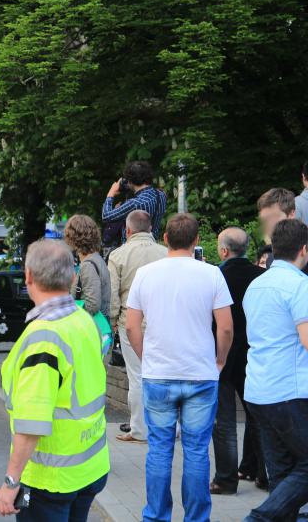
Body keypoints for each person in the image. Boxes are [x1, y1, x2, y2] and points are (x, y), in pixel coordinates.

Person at [125, 213, 233, 522]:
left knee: (159, 449)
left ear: (166, 239)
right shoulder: (211, 274)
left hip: (159, 374)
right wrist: (220, 360)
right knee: (197, 450)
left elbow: (132, 327)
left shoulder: (146, 274)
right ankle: (197, 518)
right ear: (197, 240)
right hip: (200, 373)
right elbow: (225, 328)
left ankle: (156, 516)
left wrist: (147, 358)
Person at [0, 239, 109, 519]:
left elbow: (32, 421)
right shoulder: (84, 320)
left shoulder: (43, 338)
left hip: (52, 479)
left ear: (29, 276)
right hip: (90, 467)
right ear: (72, 277)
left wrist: (11, 483)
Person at [242, 219, 308, 521]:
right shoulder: (299, 285)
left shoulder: (256, 285)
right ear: (304, 250)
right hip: (290, 392)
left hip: (258, 391)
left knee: (281, 476)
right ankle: (258, 518)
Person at [209, 228, 267, 495]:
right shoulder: (262, 276)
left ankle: (226, 478)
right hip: (254, 354)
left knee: (224, 422)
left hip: (222, 354)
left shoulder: (215, 277)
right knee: (257, 416)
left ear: (223, 251)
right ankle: (262, 472)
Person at [107, 210, 167, 444]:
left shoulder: (118, 255)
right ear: (151, 228)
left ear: (128, 230)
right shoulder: (166, 253)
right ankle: (170, 427)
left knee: (138, 378)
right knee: (164, 375)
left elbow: (113, 295)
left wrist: (112, 325)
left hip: (130, 325)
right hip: (163, 324)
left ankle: (140, 429)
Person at [101, 160, 167, 239]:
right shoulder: (161, 194)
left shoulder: (135, 203)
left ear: (130, 181)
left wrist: (111, 193)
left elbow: (106, 216)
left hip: (134, 247)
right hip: (153, 243)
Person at [64, 215, 110, 319]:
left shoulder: (88, 265)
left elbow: (93, 306)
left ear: (73, 237)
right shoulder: (97, 259)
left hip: (90, 327)